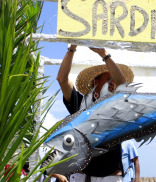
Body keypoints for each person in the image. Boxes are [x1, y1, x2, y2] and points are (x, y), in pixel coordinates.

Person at [55, 45, 134, 182]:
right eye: (107, 78)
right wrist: (72, 48)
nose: (113, 82)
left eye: (113, 79)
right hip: (83, 176)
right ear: (95, 82)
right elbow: (62, 79)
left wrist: (104, 54)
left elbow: (122, 83)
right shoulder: (81, 105)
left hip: (112, 177)